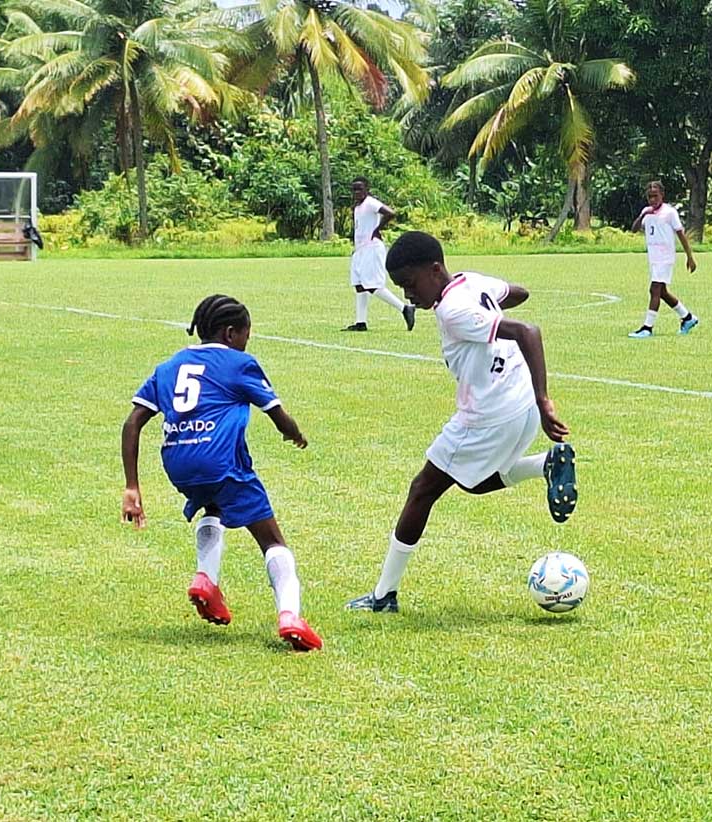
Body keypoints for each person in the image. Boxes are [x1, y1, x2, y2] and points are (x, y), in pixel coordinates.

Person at [345, 231, 577, 613]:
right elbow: (517, 292)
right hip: (517, 405)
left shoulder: (451, 310)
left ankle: (384, 595)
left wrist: (545, 399)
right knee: (476, 482)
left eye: (410, 284)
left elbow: (526, 330)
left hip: (488, 415)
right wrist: (489, 311)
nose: (408, 295)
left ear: (435, 270)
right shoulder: (469, 282)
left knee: (423, 489)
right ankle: (544, 465)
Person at [120, 294, 322, 651]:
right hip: (220, 462)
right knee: (272, 541)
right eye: (246, 334)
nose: (247, 342)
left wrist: (132, 486)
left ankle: (206, 580)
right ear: (230, 333)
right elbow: (277, 415)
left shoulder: (169, 366)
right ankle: (290, 615)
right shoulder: (238, 363)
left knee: (213, 506)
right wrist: (295, 434)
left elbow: (134, 421)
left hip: (178, 463)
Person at [343, 177, 416, 333]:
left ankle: (405, 308)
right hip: (360, 250)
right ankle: (360, 322)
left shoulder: (370, 202)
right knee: (359, 285)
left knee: (372, 285)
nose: (357, 192)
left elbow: (390, 213)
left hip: (372, 248)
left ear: (367, 189)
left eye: (360, 189)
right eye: (354, 189)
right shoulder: (357, 207)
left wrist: (377, 229)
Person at [628, 181, 698, 338]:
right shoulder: (647, 212)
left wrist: (689, 257)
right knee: (662, 292)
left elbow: (681, 235)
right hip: (654, 258)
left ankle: (647, 327)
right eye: (649, 196)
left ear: (662, 195)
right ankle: (688, 317)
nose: (652, 200)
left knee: (654, 290)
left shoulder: (669, 213)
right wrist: (643, 215)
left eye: (655, 196)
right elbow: (634, 229)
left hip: (665, 258)